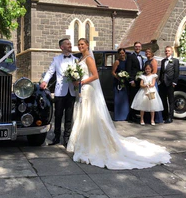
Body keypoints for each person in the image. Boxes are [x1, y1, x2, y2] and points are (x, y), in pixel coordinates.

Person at [67, 38, 171, 170]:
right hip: (82, 90)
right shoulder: (81, 59)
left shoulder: (88, 58)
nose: (80, 46)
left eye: (83, 44)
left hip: (88, 89)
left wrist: (82, 82)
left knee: (89, 114)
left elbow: (95, 76)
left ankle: (90, 143)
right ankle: (79, 141)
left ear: (87, 45)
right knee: (82, 113)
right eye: (79, 44)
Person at [40, 38, 77, 146]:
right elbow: (50, 72)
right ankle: (56, 137)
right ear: (62, 47)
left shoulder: (75, 59)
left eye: (70, 43)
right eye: (67, 44)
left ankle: (67, 138)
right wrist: (44, 81)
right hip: (60, 92)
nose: (70, 45)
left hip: (71, 91)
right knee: (58, 115)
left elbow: (79, 73)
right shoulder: (56, 59)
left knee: (69, 116)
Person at [159, 46, 179, 124]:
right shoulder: (163, 61)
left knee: (171, 101)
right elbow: (162, 72)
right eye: (166, 51)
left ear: (172, 52)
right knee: (163, 100)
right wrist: (160, 81)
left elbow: (176, 72)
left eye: (168, 51)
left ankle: (170, 117)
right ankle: (165, 115)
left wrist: (174, 82)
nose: (167, 52)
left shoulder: (175, 61)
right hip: (163, 83)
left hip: (170, 83)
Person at [143, 48, 164, 124]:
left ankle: (157, 118)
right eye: (146, 52)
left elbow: (154, 73)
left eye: (149, 52)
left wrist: (150, 81)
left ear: (152, 53)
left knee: (153, 100)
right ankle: (148, 119)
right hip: (146, 82)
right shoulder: (146, 61)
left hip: (152, 82)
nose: (147, 53)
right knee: (147, 100)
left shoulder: (153, 61)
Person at [125, 42, 144, 122]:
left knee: (139, 98)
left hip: (140, 80)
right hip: (133, 81)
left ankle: (136, 114)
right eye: (136, 46)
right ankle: (131, 116)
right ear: (134, 47)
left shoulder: (142, 57)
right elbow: (128, 69)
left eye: (139, 46)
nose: (137, 48)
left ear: (141, 47)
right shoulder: (130, 56)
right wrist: (131, 80)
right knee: (132, 98)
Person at [111, 48, 129, 121]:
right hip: (118, 83)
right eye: (120, 53)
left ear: (125, 53)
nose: (122, 54)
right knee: (118, 99)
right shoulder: (117, 62)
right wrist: (119, 77)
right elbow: (113, 72)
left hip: (125, 82)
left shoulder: (127, 61)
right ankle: (118, 116)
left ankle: (125, 116)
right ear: (118, 54)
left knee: (125, 100)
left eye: (123, 53)